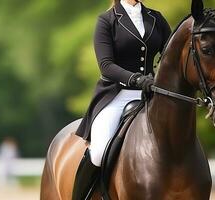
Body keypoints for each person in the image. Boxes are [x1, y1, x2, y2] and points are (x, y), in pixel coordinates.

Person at [72, 0, 171, 199]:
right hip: (116, 95)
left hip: (151, 95)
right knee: (99, 151)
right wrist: (135, 78)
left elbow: (171, 55)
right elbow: (106, 65)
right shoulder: (107, 20)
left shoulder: (156, 18)